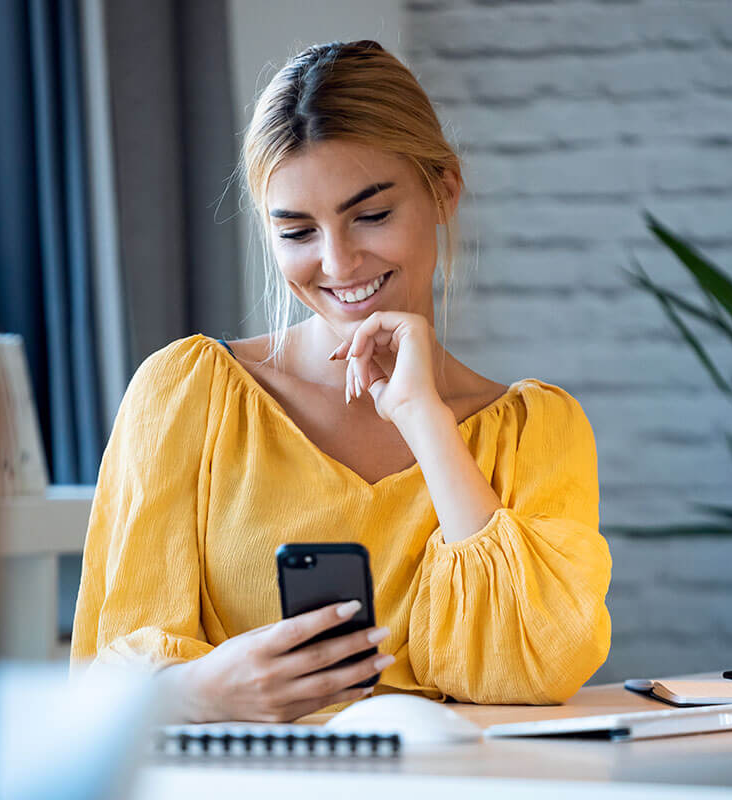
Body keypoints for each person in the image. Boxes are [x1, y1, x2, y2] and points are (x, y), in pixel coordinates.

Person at [71, 40, 611, 723]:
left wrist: (426, 421)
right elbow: (105, 677)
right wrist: (201, 690)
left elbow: (537, 664)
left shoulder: (535, 431)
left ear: (443, 190)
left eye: (372, 215)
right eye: (297, 231)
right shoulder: (187, 395)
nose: (338, 261)